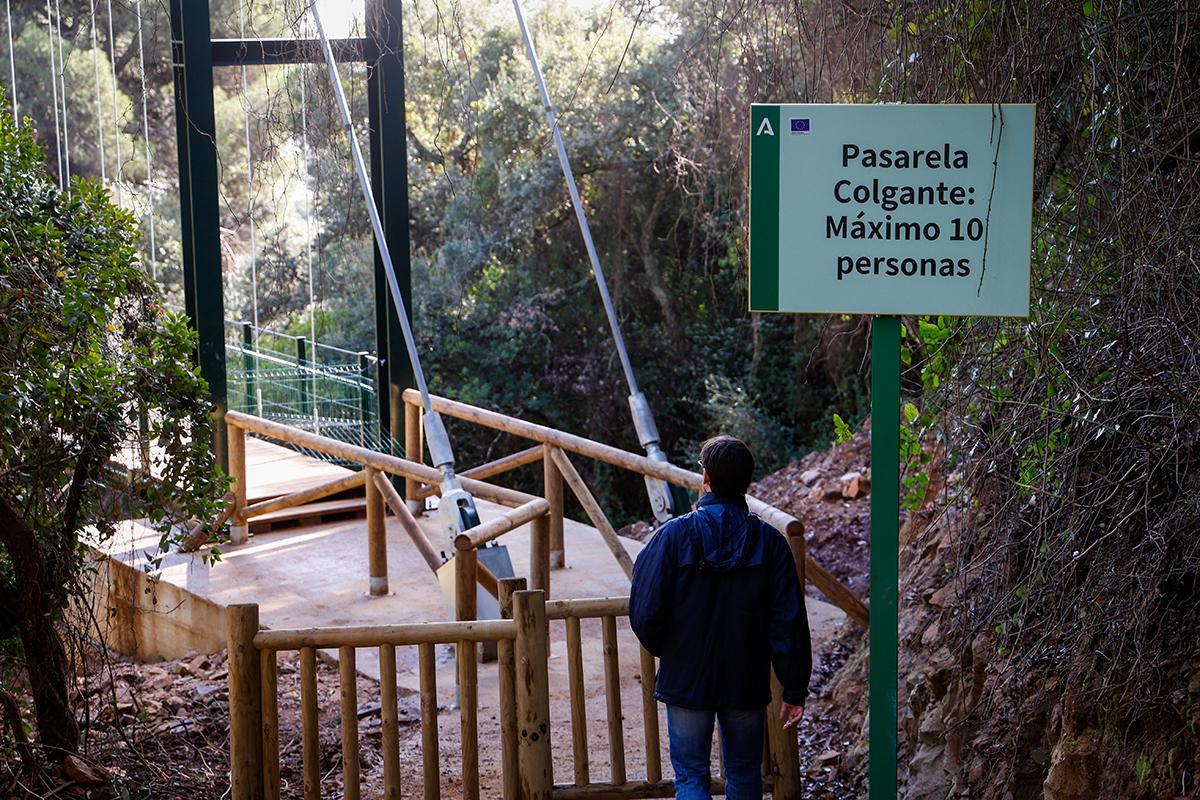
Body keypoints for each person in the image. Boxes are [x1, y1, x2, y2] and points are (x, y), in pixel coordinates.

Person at [630, 435, 811, 800]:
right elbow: (788, 620)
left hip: (686, 675)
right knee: (744, 773)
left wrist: (672, 648)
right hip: (745, 676)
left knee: (690, 776)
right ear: (747, 481)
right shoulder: (770, 543)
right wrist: (794, 687)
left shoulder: (672, 536)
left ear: (706, 478)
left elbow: (645, 610)